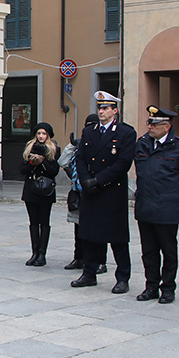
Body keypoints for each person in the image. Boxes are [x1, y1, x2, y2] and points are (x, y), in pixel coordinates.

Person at [133, 105, 179, 304]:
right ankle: (151, 286)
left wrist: (175, 195)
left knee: (168, 250)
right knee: (149, 251)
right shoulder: (142, 144)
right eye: (149, 123)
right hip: (146, 206)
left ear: (166, 126)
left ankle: (168, 288)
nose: (150, 127)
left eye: (154, 124)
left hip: (168, 208)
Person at [71, 91, 136, 293]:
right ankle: (89, 273)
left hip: (111, 190)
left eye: (106, 108)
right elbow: (80, 157)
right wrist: (85, 180)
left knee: (117, 237)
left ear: (115, 111)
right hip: (90, 189)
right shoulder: (89, 132)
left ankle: (122, 277)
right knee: (89, 234)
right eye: (99, 108)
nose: (101, 111)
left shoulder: (125, 132)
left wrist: (99, 180)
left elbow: (123, 163)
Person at [60, 114, 98, 272]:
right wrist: (72, 145)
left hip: (95, 192)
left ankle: (98, 261)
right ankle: (79, 258)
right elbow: (63, 162)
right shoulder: (80, 146)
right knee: (78, 228)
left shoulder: (100, 144)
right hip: (78, 193)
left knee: (96, 231)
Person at [19, 121, 60, 268]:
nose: (41, 136)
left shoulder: (53, 148)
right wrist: (32, 163)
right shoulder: (30, 147)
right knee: (33, 222)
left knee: (44, 222)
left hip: (45, 189)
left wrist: (42, 161)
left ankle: (42, 253)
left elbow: (54, 171)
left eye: (44, 133)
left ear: (48, 135)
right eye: (39, 133)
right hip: (31, 189)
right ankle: (34, 252)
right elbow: (22, 170)